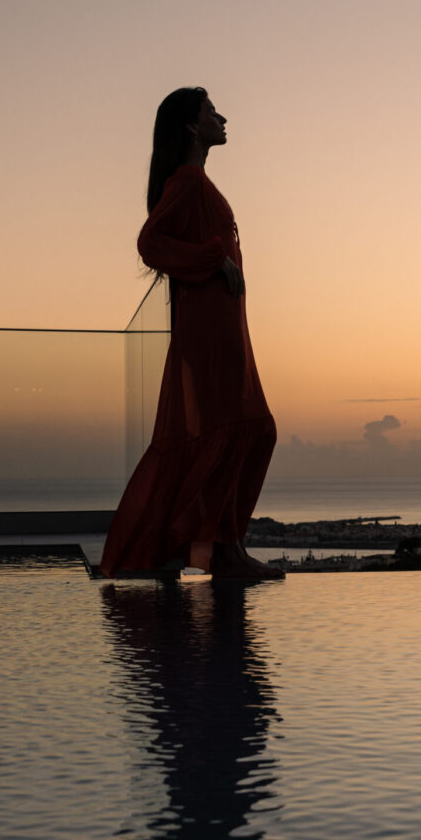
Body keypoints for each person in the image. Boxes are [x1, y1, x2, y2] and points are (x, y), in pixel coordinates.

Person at [99, 87, 283, 579]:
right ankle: (220, 551)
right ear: (190, 126)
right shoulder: (186, 182)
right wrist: (212, 260)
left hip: (224, 325)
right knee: (242, 428)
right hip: (207, 329)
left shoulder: (199, 183)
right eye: (210, 112)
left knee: (243, 431)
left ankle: (221, 548)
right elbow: (150, 241)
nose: (222, 118)